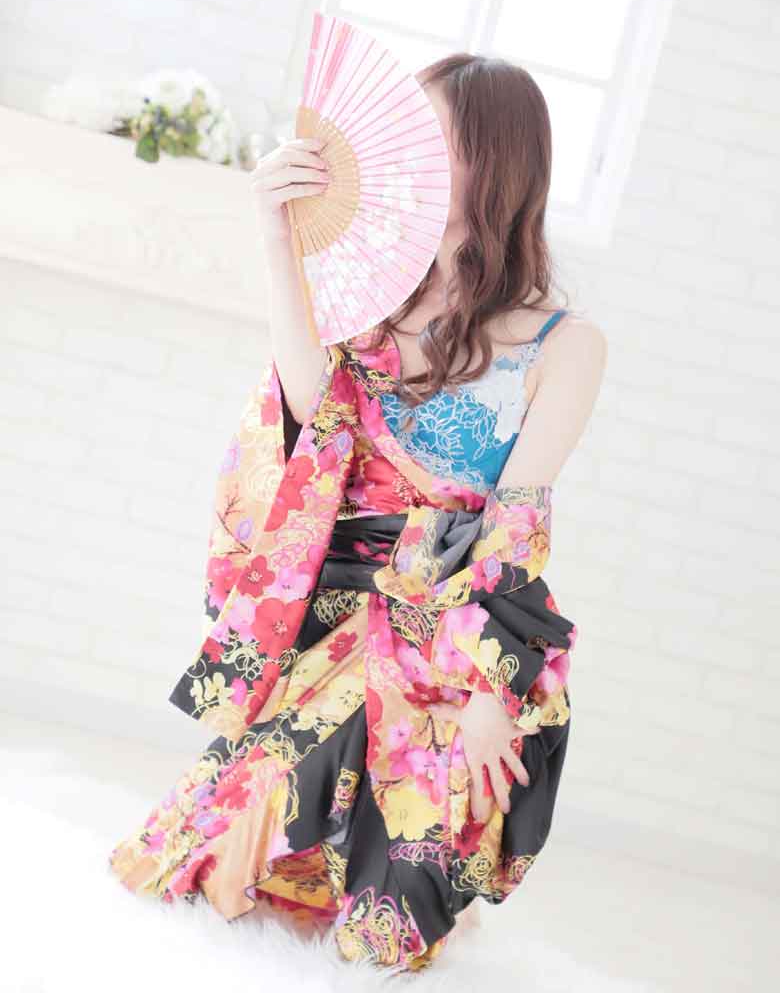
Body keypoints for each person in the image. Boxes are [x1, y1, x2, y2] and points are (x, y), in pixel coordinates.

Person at [107, 53, 607, 973]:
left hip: (451, 623)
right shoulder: (369, 282)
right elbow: (311, 416)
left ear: (495, 163)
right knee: (204, 862)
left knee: (386, 927)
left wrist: (491, 690)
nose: (406, 160)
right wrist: (278, 241)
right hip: (330, 592)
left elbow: (515, 527)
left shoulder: (563, 344)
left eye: (434, 142)